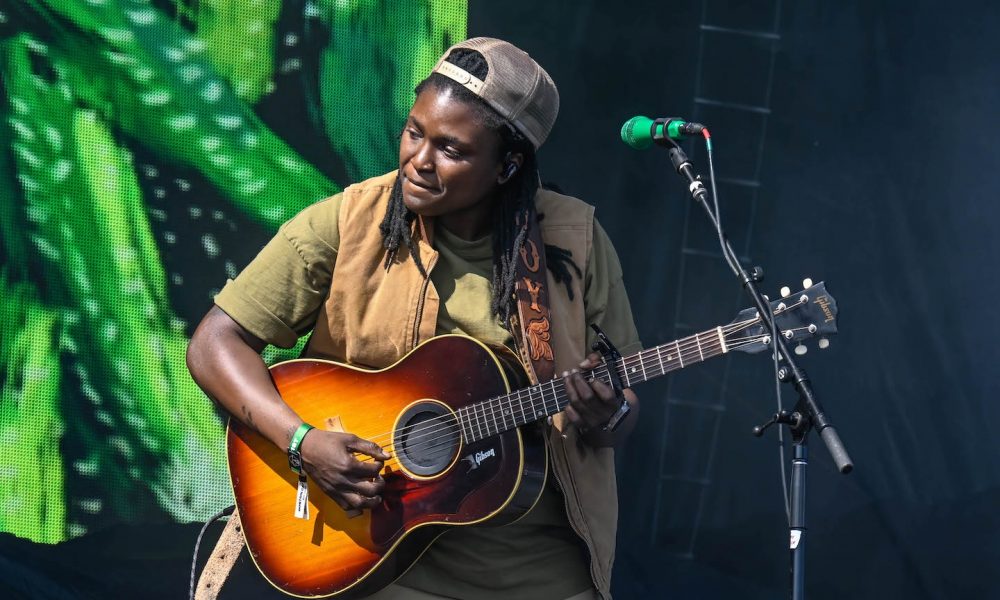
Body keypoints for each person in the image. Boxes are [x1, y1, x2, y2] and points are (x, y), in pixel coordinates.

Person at [187, 37, 641, 600]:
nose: (419, 160)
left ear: (507, 167)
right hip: (382, 564)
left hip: (539, 574)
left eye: (451, 149)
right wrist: (301, 441)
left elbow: (618, 418)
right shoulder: (353, 220)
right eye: (414, 131)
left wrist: (606, 411)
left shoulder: (573, 243)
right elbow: (214, 343)